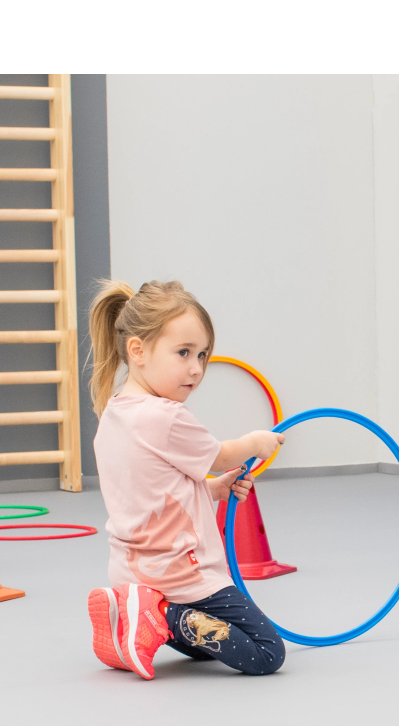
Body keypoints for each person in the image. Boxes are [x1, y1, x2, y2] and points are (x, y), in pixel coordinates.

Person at [85, 278, 286, 681]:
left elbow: (150, 492)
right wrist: (256, 442)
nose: (196, 368)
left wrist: (213, 489)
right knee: (267, 653)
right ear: (137, 350)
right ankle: (160, 615)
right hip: (183, 576)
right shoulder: (166, 416)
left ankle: (140, 615)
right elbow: (222, 455)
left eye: (202, 355)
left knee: (206, 646)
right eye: (183, 353)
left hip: (132, 573)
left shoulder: (115, 415)